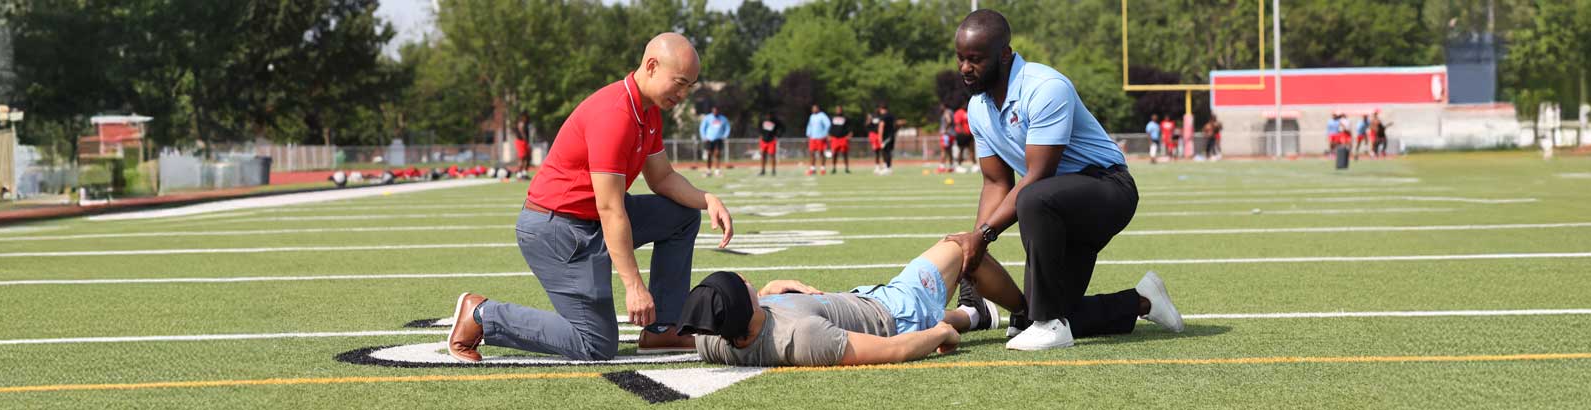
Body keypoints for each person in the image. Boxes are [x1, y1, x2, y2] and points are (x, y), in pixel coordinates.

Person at [446, 33, 736, 363]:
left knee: (683, 215)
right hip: (557, 230)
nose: (683, 95)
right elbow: (610, 208)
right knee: (595, 344)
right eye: (680, 83)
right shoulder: (615, 114)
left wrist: (707, 198)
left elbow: (662, 178)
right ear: (652, 66)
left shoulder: (649, 111)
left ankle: (663, 329)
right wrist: (634, 286)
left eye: (689, 87)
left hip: (589, 221)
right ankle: (482, 315)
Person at [949, 10, 1184, 351]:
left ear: (1004, 54)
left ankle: (1049, 326)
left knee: (1034, 198)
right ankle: (1142, 301)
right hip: (1056, 204)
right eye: (960, 58)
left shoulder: (1045, 87)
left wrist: (984, 234)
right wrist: (976, 250)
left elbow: (1038, 174)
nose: (965, 68)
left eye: (975, 59)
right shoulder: (978, 108)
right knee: (1034, 314)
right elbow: (995, 183)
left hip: (1107, 188)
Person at [678, 237, 1181, 366]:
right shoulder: (802, 336)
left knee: (971, 278)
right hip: (894, 312)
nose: (749, 279)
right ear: (748, 310)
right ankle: (1040, 315)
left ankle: (980, 313)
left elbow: (684, 330)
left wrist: (774, 288)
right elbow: (891, 349)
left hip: (866, 301)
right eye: (743, 283)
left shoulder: (717, 338)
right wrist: (941, 331)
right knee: (965, 247)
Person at [699, 106, 730, 177]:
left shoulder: (723, 118)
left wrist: (725, 136)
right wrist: (704, 137)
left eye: (716, 111)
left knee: (717, 154)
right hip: (709, 139)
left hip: (718, 139)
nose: (715, 112)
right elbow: (702, 128)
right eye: (714, 111)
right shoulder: (707, 118)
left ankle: (717, 171)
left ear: (718, 111)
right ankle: (708, 170)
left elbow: (727, 128)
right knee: (709, 154)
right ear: (712, 111)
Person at [805, 104, 831, 176]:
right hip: (812, 137)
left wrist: (825, 133)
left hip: (820, 137)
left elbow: (828, 124)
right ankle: (812, 169)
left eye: (815, 108)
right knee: (811, 153)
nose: (814, 110)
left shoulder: (822, 115)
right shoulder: (812, 116)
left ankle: (823, 168)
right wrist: (808, 134)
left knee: (821, 153)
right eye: (813, 108)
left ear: (818, 109)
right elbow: (809, 125)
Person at [828, 106, 853, 174]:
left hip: (843, 138)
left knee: (844, 153)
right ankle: (834, 168)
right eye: (837, 109)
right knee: (834, 154)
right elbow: (831, 127)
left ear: (842, 110)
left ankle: (846, 168)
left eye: (839, 109)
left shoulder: (845, 118)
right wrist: (829, 135)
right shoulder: (832, 118)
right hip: (835, 138)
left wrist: (849, 135)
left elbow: (849, 127)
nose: (838, 111)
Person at [876, 103, 898, 175]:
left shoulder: (883, 116)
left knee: (885, 152)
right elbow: (896, 124)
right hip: (892, 136)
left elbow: (881, 126)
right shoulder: (892, 116)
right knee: (889, 152)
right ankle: (888, 167)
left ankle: (887, 168)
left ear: (881, 109)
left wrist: (880, 137)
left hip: (886, 137)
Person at [953, 107, 976, 173]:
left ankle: (975, 165)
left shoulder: (969, 111)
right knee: (961, 150)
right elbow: (958, 123)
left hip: (970, 134)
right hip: (962, 135)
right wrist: (964, 132)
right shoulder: (959, 112)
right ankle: (958, 166)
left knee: (972, 150)